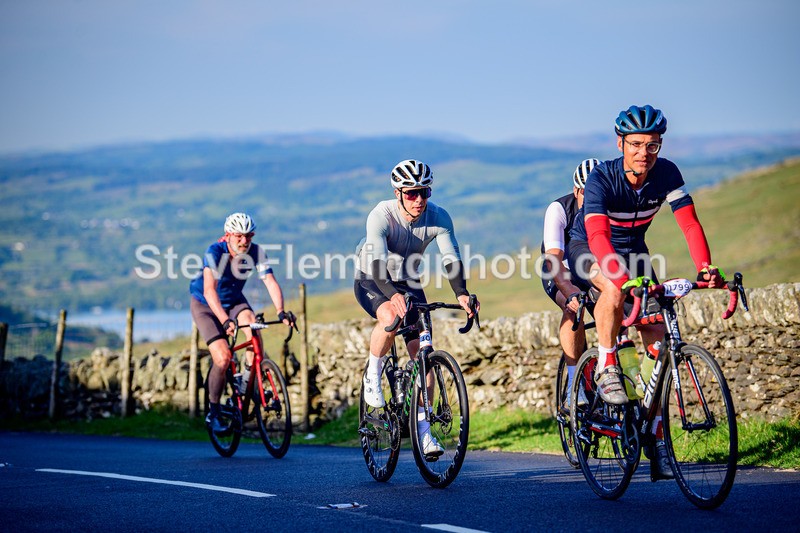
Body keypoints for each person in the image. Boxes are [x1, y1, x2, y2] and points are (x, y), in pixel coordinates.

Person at [566, 105, 725, 479]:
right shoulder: (601, 179)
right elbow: (599, 236)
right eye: (636, 144)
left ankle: (656, 438)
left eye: (652, 145)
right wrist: (617, 276)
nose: (644, 153)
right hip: (589, 248)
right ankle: (607, 363)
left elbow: (689, 223)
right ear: (621, 143)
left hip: (636, 253)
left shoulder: (667, 173)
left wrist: (705, 267)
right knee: (611, 288)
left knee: (658, 344)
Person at [354, 159, 479, 458]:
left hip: (408, 279)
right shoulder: (381, 215)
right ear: (398, 193)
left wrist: (462, 293)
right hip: (373, 276)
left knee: (423, 354)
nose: (419, 199)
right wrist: (391, 296)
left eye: (424, 192)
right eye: (411, 193)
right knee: (390, 316)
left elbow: (452, 257)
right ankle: (373, 375)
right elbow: (377, 265)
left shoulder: (438, 217)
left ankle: (424, 434)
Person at [189, 212, 295, 434]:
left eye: (249, 236)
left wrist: (281, 311)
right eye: (239, 236)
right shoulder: (215, 252)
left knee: (253, 331)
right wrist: (224, 320)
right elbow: (209, 291)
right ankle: (214, 411)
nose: (244, 241)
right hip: (207, 306)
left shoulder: (256, 252)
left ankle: (248, 381)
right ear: (228, 235)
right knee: (223, 357)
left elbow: (270, 282)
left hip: (235, 301)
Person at [540, 158, 600, 410]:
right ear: (577, 191)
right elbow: (553, 259)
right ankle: (574, 387)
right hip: (559, 268)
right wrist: (571, 293)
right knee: (574, 306)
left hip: (591, 269)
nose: (595, 197)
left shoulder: (606, 208)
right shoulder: (559, 209)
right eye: (588, 192)